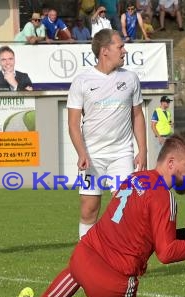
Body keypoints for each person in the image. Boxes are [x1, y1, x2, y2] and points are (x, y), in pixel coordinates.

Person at [12, 131, 185, 297]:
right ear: (172, 162)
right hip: (112, 284)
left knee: (75, 271)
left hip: (84, 256)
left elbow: (143, 232)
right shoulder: (164, 198)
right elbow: (166, 253)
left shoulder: (136, 178)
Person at [67, 29, 147, 239]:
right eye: (120, 46)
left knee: (127, 208)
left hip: (121, 154)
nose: (124, 50)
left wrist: (143, 150)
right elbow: (73, 124)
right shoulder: (82, 81)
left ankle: (124, 261)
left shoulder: (130, 78)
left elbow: (137, 116)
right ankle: (86, 259)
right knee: (89, 210)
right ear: (105, 51)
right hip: (92, 156)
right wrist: (81, 153)